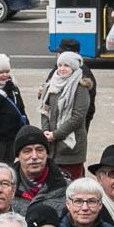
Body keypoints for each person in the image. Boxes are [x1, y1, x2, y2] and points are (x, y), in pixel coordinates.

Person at [38, 49, 95, 179]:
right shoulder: (51, 85)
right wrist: (45, 131)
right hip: (52, 145)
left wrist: (56, 134)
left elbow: (78, 117)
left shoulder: (81, 87)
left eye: (66, 65)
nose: (62, 69)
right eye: (60, 65)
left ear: (73, 67)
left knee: (72, 183)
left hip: (71, 147)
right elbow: (45, 110)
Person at [10, 127, 70, 205]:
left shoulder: (65, 186)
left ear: (47, 153)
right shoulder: (5, 186)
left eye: (39, 150)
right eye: (27, 151)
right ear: (18, 156)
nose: (34, 156)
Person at [0, 53, 27, 158]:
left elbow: (21, 108)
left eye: (7, 71)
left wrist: (26, 126)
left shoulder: (13, 87)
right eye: (1, 72)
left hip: (14, 135)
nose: (5, 75)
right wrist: (4, 91)